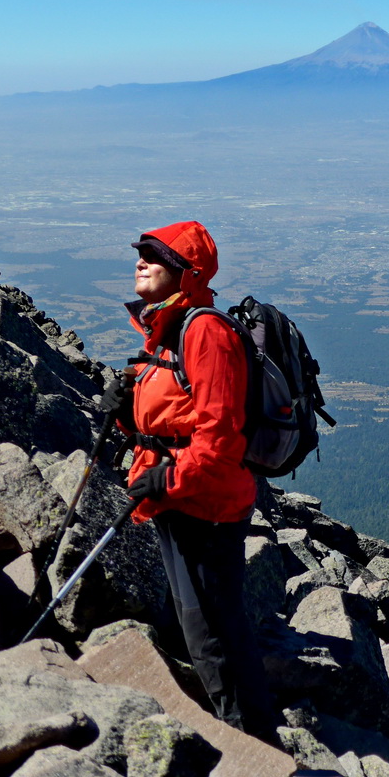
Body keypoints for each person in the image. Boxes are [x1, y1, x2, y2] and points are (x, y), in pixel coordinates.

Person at [102, 220, 277, 742]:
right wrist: (125, 416)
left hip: (208, 507)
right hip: (182, 499)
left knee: (214, 635)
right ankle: (236, 739)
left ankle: (256, 753)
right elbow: (173, 419)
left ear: (186, 272)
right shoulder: (167, 329)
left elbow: (219, 439)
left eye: (154, 255)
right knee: (199, 627)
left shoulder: (205, 331)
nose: (140, 261)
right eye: (140, 253)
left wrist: (167, 479)